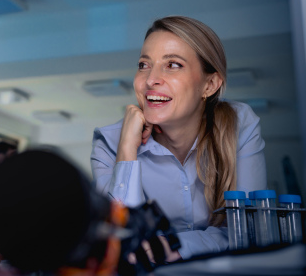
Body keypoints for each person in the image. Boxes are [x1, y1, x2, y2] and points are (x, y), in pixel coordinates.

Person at [91, 16, 266, 261]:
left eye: (173, 64)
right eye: (144, 64)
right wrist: (127, 152)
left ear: (210, 84)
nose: (151, 79)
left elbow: (249, 233)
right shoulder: (109, 142)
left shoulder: (240, 124)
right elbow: (122, 243)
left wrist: (171, 246)